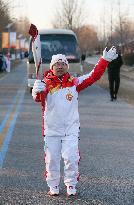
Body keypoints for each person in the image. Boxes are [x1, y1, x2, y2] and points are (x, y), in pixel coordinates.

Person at [32, 47, 118, 196]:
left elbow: (93, 76)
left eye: (63, 63)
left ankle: (71, 185)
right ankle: (53, 186)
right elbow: (39, 99)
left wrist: (104, 60)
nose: (60, 66)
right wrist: (36, 90)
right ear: (52, 67)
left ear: (67, 66)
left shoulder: (74, 83)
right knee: (51, 161)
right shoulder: (45, 83)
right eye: (56, 64)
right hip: (51, 131)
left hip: (70, 130)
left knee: (71, 158)